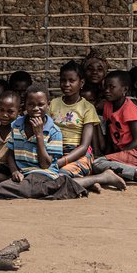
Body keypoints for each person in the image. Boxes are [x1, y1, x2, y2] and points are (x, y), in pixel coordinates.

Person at [0, 85, 108, 198]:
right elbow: (10, 153)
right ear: (25, 105)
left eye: (40, 104)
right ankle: (67, 186)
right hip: (24, 173)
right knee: (4, 188)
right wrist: (14, 171)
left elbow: (45, 165)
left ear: (48, 105)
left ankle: (79, 183)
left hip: (43, 173)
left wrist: (39, 136)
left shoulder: (54, 132)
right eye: (31, 104)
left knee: (7, 188)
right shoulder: (17, 125)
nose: (35, 108)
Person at [48, 61, 125, 190]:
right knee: (42, 176)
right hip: (55, 151)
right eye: (63, 80)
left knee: (59, 178)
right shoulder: (53, 104)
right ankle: (87, 182)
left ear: (81, 83)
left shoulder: (87, 108)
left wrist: (62, 161)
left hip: (78, 154)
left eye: (71, 81)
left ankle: (102, 177)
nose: (67, 84)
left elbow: (84, 146)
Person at [91, 70, 137, 191]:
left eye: (111, 87)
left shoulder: (129, 108)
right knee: (111, 166)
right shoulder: (108, 106)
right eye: (105, 87)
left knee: (98, 164)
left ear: (124, 90)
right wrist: (110, 154)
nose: (107, 90)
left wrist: (117, 154)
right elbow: (110, 131)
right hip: (136, 155)